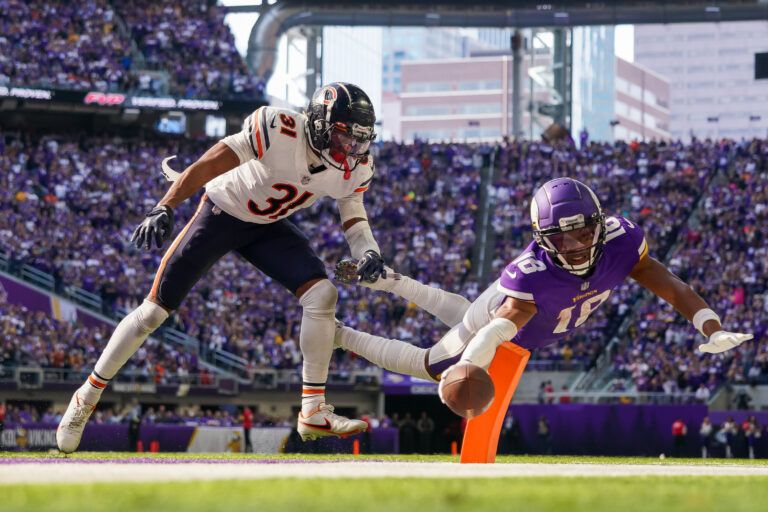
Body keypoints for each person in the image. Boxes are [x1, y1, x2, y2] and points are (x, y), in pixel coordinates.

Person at [57, 83, 385, 453]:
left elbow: (353, 216)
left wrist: (369, 250)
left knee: (323, 293)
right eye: (345, 137)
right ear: (321, 123)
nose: (353, 150)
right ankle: (86, 397)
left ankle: (312, 409)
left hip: (266, 226)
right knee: (153, 312)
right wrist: (166, 204)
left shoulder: (355, 168)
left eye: (360, 141)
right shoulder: (280, 128)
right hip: (221, 213)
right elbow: (212, 161)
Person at [333, 177, 752, 413]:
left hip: (501, 315)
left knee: (458, 312)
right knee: (431, 363)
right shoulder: (532, 274)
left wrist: (710, 325)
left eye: (584, 232)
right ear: (541, 238)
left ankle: (389, 280)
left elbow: (672, 286)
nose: (575, 245)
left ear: (599, 222)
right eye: (562, 238)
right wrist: (465, 371)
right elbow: (495, 333)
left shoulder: (622, 240)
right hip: (498, 322)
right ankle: (341, 336)